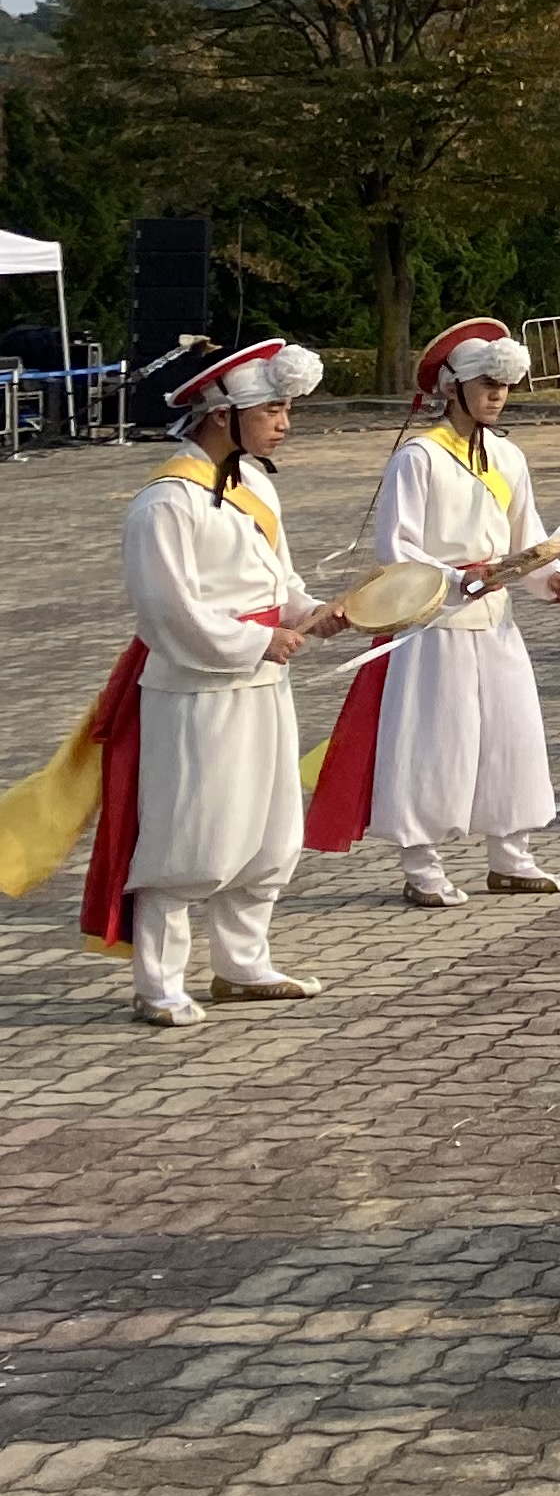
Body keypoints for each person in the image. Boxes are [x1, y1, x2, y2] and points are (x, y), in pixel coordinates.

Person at [77, 340, 355, 1022]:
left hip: (260, 683)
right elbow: (169, 612)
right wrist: (262, 639)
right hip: (195, 690)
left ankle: (242, 963)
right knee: (192, 831)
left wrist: (312, 615)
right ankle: (159, 982)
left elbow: (279, 582)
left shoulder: (256, 484)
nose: (284, 421)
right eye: (273, 409)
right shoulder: (165, 503)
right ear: (222, 415)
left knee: (268, 826)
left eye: (287, 408)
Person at [320, 320, 560, 909]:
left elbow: (526, 536)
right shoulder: (419, 457)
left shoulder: (509, 455)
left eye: (504, 386)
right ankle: (423, 864)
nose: (497, 395)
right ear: (454, 388)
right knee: (435, 742)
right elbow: (398, 547)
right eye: (486, 384)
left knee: (511, 734)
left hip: (496, 619)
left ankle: (511, 855)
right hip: (435, 620)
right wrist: (460, 576)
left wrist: (549, 576)